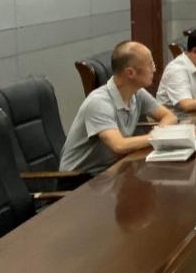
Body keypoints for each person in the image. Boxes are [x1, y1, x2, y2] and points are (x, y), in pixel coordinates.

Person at [59, 41, 177, 174]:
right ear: (130, 72)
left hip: (112, 169)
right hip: (80, 178)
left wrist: (158, 133)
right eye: (150, 65)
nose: (154, 69)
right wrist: (157, 137)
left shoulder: (137, 93)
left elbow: (169, 116)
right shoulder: (98, 102)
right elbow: (119, 145)